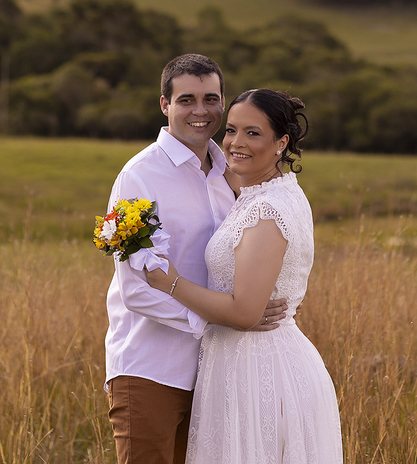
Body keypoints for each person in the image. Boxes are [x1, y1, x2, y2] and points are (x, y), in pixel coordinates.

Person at [103, 54, 288, 464]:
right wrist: (225, 320)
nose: (201, 111)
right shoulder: (139, 176)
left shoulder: (230, 173)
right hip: (151, 369)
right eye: (187, 99)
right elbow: (136, 290)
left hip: (216, 373)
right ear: (165, 105)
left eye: (211, 99)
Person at [146, 88, 344, 464]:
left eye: (253, 133)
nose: (236, 142)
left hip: (261, 371)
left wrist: (170, 282)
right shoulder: (271, 191)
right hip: (242, 364)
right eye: (232, 130)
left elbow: (244, 313)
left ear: (281, 142)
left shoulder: (267, 210)